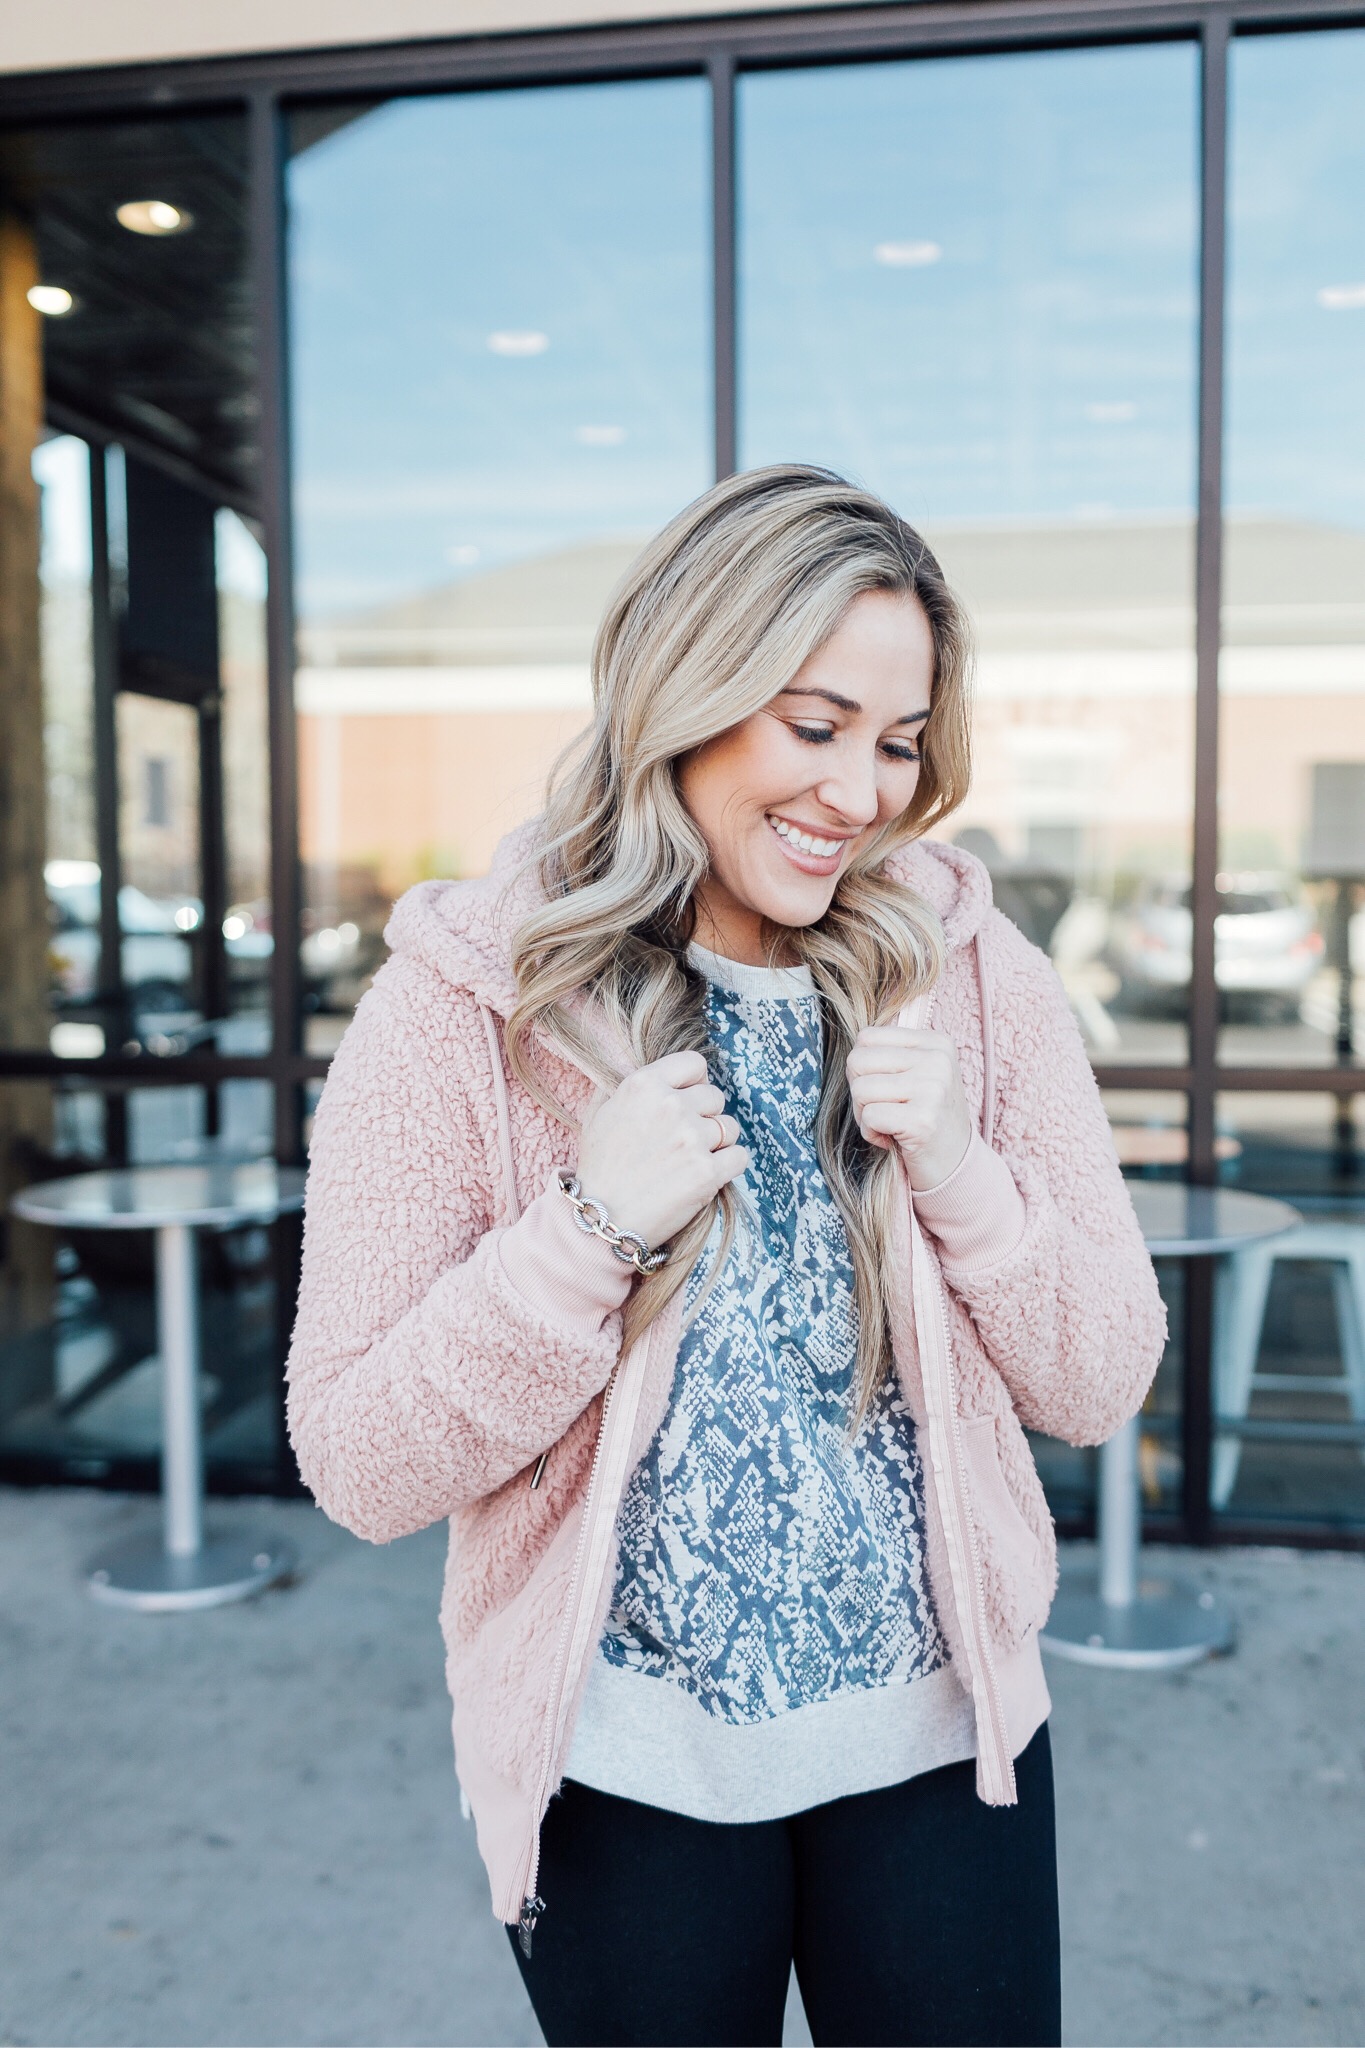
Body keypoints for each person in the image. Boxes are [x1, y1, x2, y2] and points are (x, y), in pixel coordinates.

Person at [287, 465, 1166, 2048]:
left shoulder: (971, 980)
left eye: (898, 744)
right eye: (812, 726)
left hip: (938, 1749)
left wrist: (964, 1173)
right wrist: (582, 1237)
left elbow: (1100, 1375)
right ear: (682, 694)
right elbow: (354, 1457)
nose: (862, 792)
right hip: (625, 1773)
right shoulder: (469, 1003)